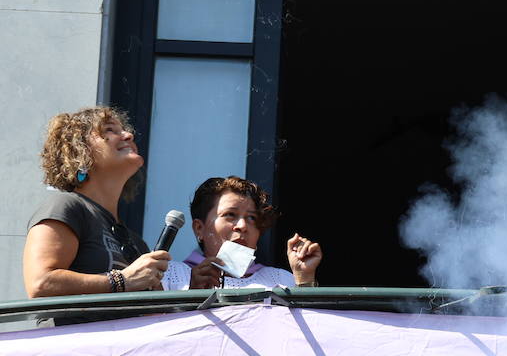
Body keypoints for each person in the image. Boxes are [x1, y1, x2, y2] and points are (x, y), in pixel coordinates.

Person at [23, 107, 169, 298]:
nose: (128, 135)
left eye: (123, 130)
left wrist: (192, 290)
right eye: (110, 130)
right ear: (80, 150)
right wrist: (122, 280)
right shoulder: (65, 207)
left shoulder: (137, 243)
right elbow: (41, 283)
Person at [161, 176, 322, 290]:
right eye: (230, 214)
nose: (243, 226)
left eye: (252, 218)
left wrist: (304, 278)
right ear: (199, 229)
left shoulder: (282, 279)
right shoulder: (169, 275)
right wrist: (193, 293)